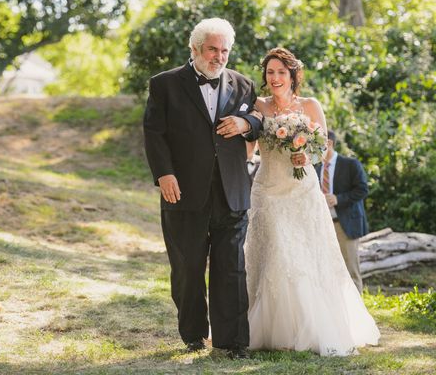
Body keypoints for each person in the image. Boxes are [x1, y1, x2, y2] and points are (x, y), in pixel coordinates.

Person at [243, 47, 379, 356]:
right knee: (274, 252)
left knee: (304, 257)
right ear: (265, 77)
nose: (275, 78)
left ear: (292, 75)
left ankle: (307, 328)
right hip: (267, 191)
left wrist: (307, 154)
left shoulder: (309, 105)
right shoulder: (258, 106)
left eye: (281, 72)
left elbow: (322, 147)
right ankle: (265, 329)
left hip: (302, 191)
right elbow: (249, 150)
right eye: (270, 72)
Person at [143, 18, 262, 358]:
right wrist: (164, 174)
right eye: (212, 49)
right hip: (182, 192)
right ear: (194, 49)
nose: (219, 56)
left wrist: (246, 123)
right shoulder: (164, 84)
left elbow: (259, 121)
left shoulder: (243, 84)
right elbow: (154, 133)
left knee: (231, 269)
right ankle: (194, 333)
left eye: (224, 50)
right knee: (188, 269)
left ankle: (233, 342)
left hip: (232, 191)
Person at [315, 130, 369, 293]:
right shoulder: (314, 167)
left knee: (351, 271)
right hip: (321, 227)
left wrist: (339, 199)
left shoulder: (350, 164)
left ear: (329, 143)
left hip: (344, 225)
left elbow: (362, 189)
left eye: (316, 144)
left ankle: (357, 314)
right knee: (325, 270)